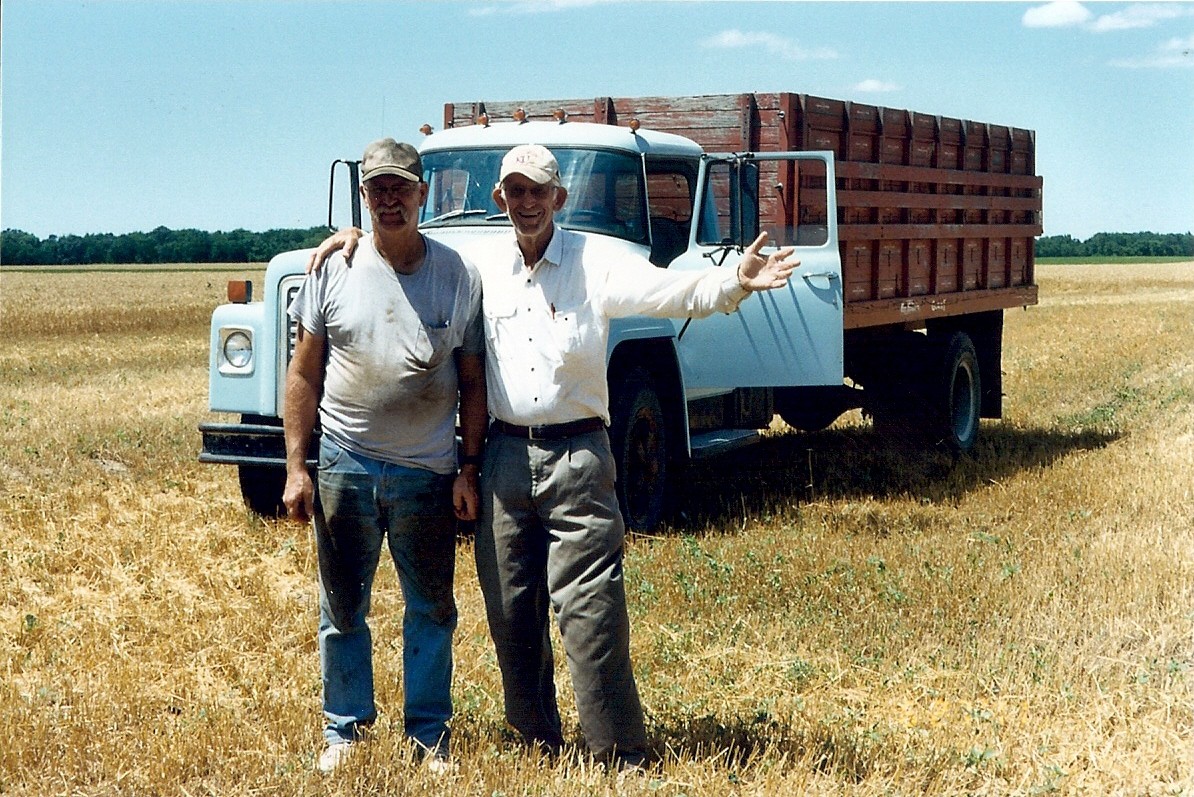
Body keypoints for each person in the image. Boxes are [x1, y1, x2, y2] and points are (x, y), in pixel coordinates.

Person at [308, 143, 799, 770]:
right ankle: (536, 739)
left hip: (579, 456)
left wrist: (732, 282)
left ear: (559, 198)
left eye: (539, 190)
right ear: (500, 200)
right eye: (515, 191)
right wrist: (350, 235)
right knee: (511, 612)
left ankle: (616, 752)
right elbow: (402, 247)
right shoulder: (482, 267)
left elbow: (670, 293)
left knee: (590, 610)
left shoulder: (599, 262)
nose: (527, 202)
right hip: (505, 462)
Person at [283, 137, 487, 775]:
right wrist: (296, 466)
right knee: (343, 608)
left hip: (427, 471)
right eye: (378, 189)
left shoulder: (457, 274)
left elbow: (474, 382)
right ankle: (344, 730)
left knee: (431, 609)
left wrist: (468, 468)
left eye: (402, 187)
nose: (390, 199)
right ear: (364, 196)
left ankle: (429, 738)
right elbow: (302, 376)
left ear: (423, 193)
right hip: (346, 463)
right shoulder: (333, 269)